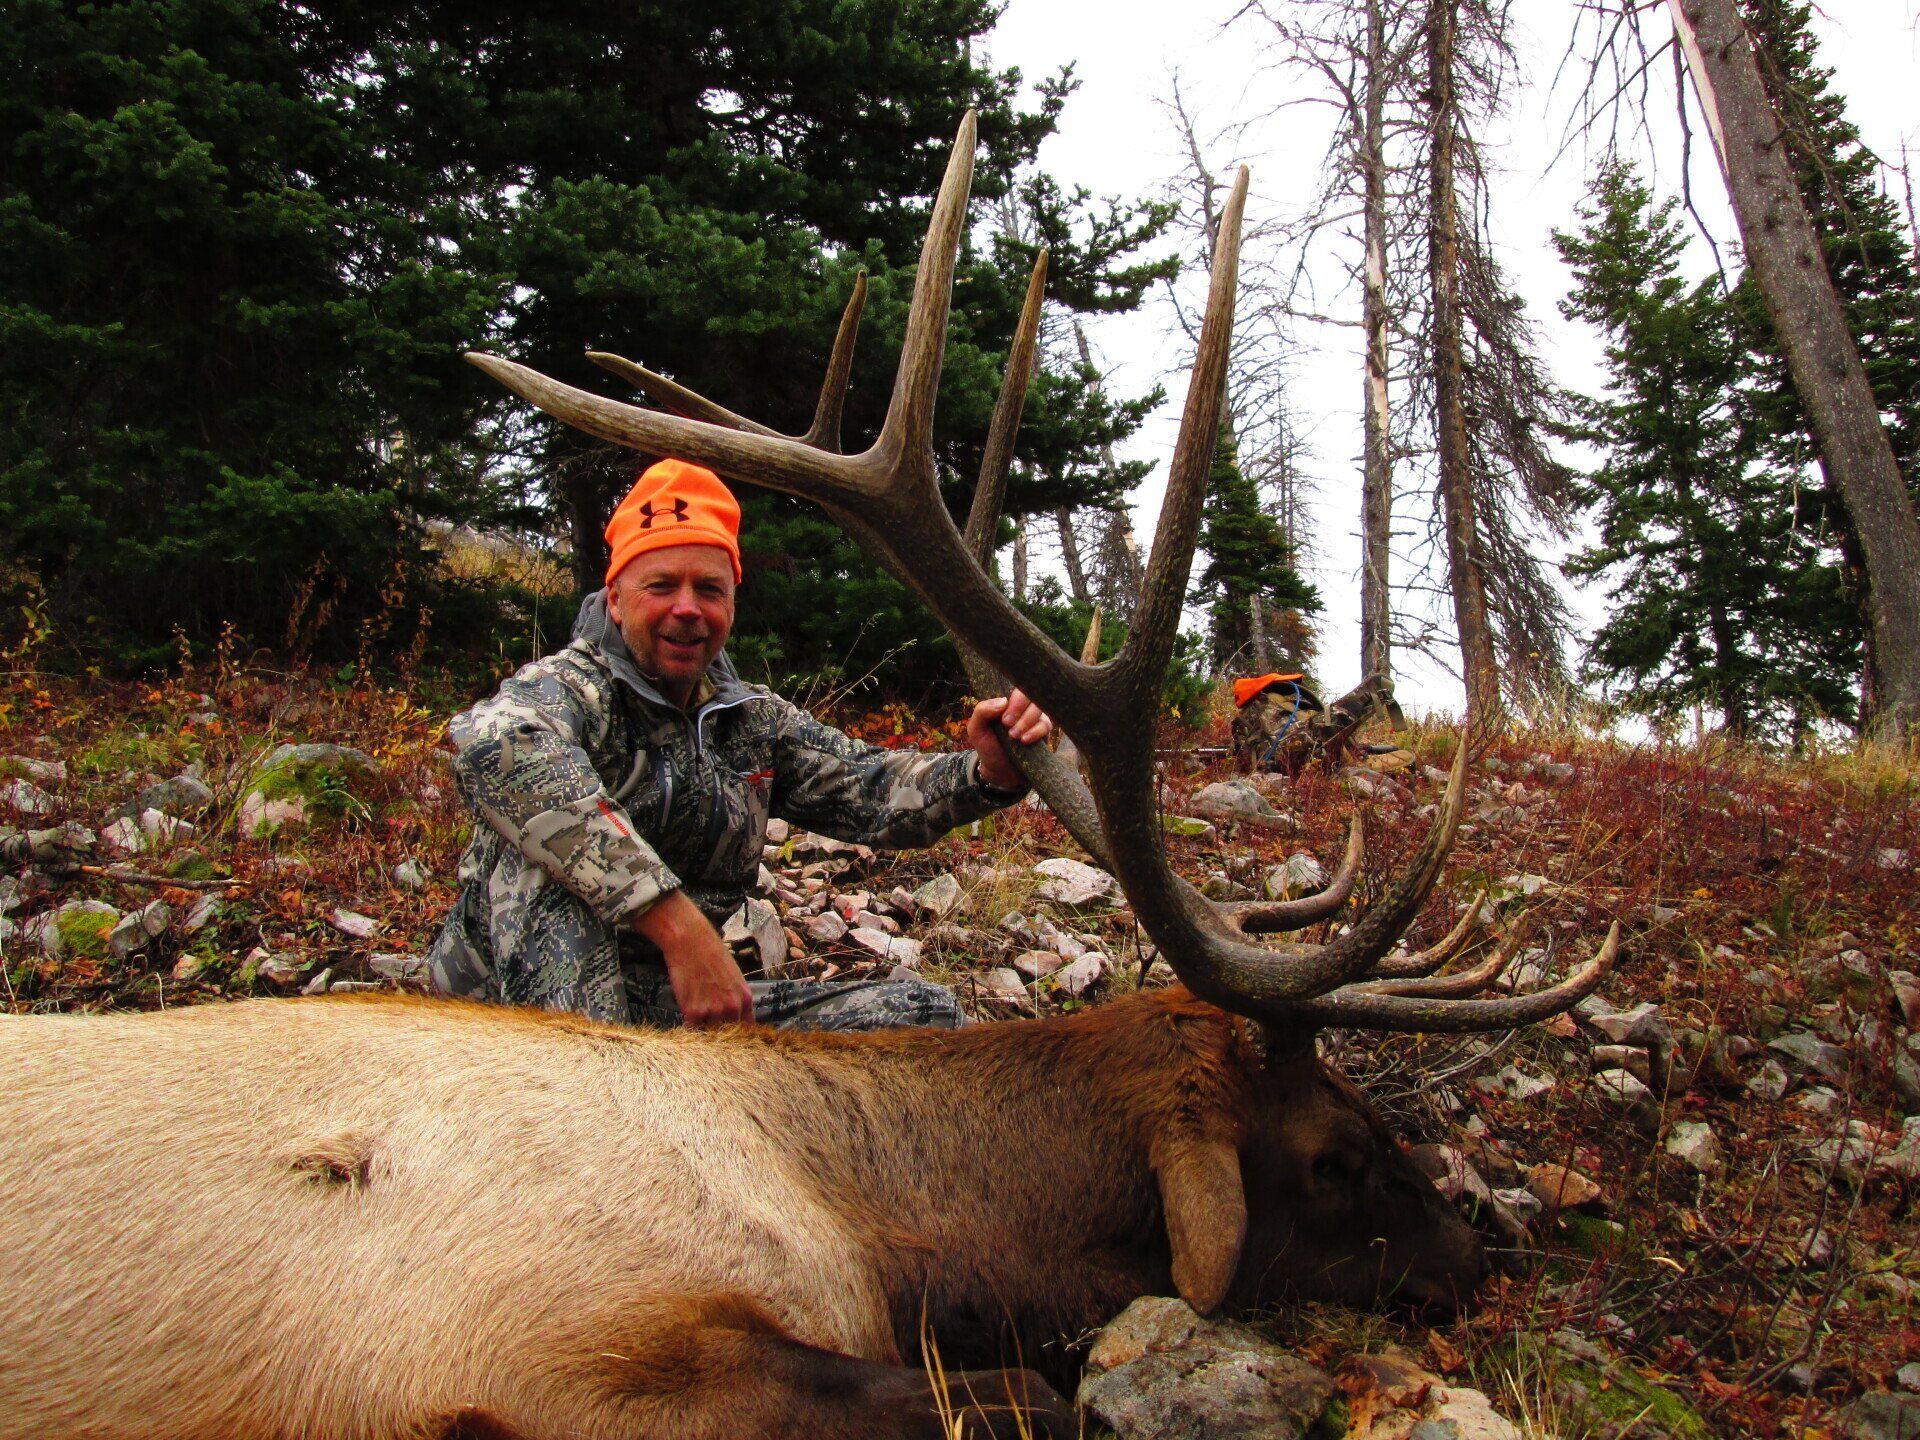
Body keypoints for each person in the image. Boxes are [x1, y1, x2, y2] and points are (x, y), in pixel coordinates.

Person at [426, 459, 1052, 1032]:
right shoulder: (566, 691)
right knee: (549, 850)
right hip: (513, 1026)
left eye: (709, 588)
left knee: (921, 1019)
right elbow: (492, 748)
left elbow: (871, 787)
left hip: (668, 1006)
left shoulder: (750, 721)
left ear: (731, 601)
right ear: (615, 600)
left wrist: (985, 772)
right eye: (661, 585)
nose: (687, 609)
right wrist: (678, 926)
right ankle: (582, 1099)